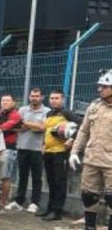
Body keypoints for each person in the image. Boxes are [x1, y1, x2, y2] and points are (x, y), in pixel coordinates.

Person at [71, 70, 112, 230]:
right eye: (100, 86)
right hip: (92, 159)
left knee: (111, 198)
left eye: (104, 86)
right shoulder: (94, 106)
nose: (100, 89)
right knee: (88, 195)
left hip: (111, 161)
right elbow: (84, 131)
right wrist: (74, 151)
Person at [37, 89, 77, 221]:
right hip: (48, 152)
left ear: (63, 100)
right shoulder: (48, 114)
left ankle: (57, 211)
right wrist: (43, 144)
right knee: (51, 181)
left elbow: (81, 126)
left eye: (57, 98)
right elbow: (47, 131)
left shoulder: (67, 113)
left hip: (60, 153)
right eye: (52, 98)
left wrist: (72, 140)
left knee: (59, 182)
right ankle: (50, 208)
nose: (54, 100)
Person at [9, 88, 49, 213]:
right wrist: (34, 126)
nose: (34, 98)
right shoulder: (22, 110)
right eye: (32, 96)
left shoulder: (47, 111)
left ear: (42, 97)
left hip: (38, 148)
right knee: (22, 175)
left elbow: (43, 128)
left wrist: (26, 123)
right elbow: (17, 128)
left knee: (37, 176)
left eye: (37, 96)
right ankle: (19, 201)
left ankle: (34, 202)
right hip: (22, 146)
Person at [0, 94, 21, 214]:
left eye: (8, 100)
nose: (5, 102)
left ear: (13, 103)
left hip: (8, 148)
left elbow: (3, 128)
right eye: (3, 100)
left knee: (5, 176)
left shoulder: (16, 115)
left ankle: (2, 204)